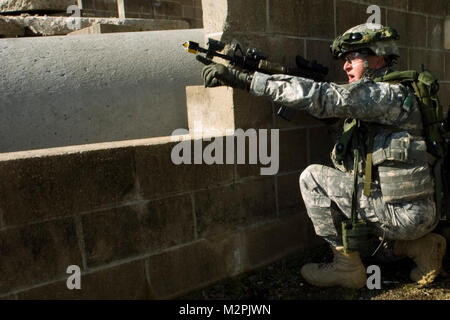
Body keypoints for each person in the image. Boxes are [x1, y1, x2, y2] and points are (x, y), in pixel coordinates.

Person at [201, 23, 447, 289]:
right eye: (345, 60)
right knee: (360, 238)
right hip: (416, 212)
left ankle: (346, 268)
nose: (345, 66)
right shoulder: (396, 95)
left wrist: (247, 80)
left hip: (403, 214)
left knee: (312, 179)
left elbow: (325, 96)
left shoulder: (384, 93)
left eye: (353, 58)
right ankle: (420, 248)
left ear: (377, 57)